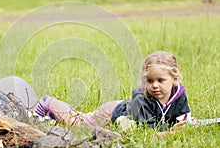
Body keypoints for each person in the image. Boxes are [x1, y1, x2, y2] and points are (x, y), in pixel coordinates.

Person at [34, 51, 192, 135]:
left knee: (79, 117)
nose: (155, 86)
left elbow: (184, 116)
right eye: (150, 81)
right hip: (111, 113)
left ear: (175, 79)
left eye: (160, 80)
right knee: (80, 122)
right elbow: (149, 130)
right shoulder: (143, 99)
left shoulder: (178, 95)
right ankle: (48, 103)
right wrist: (168, 132)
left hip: (120, 111)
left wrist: (184, 124)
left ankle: (53, 115)